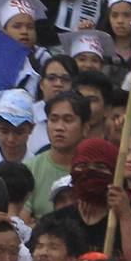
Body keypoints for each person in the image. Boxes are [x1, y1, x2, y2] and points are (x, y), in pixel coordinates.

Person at [40, 138, 116, 253]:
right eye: (82, 166)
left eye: (100, 167)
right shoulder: (54, 222)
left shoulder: (127, 220)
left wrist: (125, 217)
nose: (90, 172)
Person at [26, 92, 90, 220]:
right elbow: (22, 224)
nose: (59, 127)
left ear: (85, 128)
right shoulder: (30, 169)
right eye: (53, 120)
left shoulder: (93, 170)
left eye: (68, 120)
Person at [0, 89, 35, 168]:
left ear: (31, 128)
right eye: (4, 131)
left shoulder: (38, 168)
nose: (11, 139)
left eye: (19, 132)